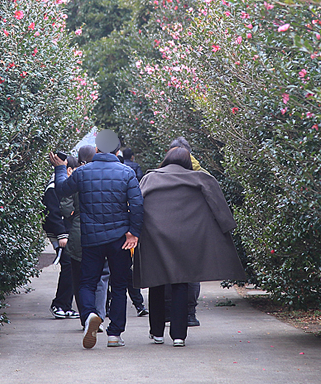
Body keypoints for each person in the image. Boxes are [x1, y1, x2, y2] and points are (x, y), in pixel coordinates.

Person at [133, 146, 246, 347]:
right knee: (180, 284)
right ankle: (178, 336)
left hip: (155, 236)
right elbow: (219, 208)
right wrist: (227, 227)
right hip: (186, 238)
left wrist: (132, 231)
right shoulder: (200, 179)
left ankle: (157, 333)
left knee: (156, 283)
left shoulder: (150, 178)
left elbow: (137, 204)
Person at [49, 129, 143, 349]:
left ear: (97, 148)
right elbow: (138, 205)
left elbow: (62, 190)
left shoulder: (82, 172)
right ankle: (114, 335)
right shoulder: (127, 173)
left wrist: (61, 168)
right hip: (120, 239)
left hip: (90, 238)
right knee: (119, 285)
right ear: (117, 150)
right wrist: (134, 232)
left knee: (87, 283)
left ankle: (90, 314)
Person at [61, 149, 111, 328]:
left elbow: (66, 208)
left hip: (79, 233)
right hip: (106, 233)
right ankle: (100, 316)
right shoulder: (112, 175)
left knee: (81, 280)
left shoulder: (77, 176)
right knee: (102, 278)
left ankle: (87, 318)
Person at [168, 137, 204, 326]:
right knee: (191, 274)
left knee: (167, 271)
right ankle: (189, 313)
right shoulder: (201, 173)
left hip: (166, 230)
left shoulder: (161, 173)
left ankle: (170, 312)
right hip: (193, 230)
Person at [41, 162, 77, 319]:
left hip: (64, 232)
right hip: (60, 234)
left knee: (71, 268)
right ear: (69, 169)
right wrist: (62, 234)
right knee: (68, 266)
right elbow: (53, 212)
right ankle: (59, 304)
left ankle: (66, 305)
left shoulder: (60, 183)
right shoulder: (54, 186)